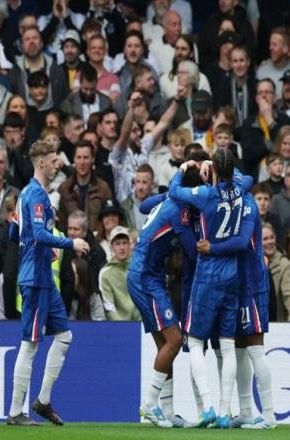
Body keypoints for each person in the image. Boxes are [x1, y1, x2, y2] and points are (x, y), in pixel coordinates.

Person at [7, 140, 90, 426]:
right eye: (53, 160)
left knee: (64, 337)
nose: (57, 165)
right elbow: (39, 234)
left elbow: (14, 233)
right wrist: (70, 243)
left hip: (42, 277)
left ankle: (42, 401)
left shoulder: (26, 194)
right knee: (30, 344)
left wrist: (40, 248)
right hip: (34, 279)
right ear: (41, 162)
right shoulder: (36, 195)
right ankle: (15, 412)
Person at [168, 150, 252, 428]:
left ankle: (207, 407)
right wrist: (219, 168)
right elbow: (245, 178)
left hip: (208, 274)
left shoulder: (206, 195)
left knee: (194, 342)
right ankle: (225, 413)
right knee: (227, 347)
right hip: (232, 274)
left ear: (213, 168)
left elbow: (174, 191)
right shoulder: (240, 190)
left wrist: (183, 168)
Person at [127, 166, 199, 428]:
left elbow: (144, 205)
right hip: (145, 277)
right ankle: (149, 404)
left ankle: (167, 412)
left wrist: (176, 180)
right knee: (175, 340)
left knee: (165, 345)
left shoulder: (169, 199)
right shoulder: (179, 211)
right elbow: (193, 252)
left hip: (147, 275)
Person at [197, 191, 276, 429]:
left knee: (255, 348)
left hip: (252, 282)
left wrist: (212, 248)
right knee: (240, 348)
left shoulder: (248, 202)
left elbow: (242, 243)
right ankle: (246, 412)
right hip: (236, 282)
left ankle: (269, 416)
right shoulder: (228, 201)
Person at [99, 226, 140, 321]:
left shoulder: (140, 268)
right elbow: (109, 306)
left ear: (129, 245)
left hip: (141, 323)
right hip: (118, 325)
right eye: (117, 244)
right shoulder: (105, 273)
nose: (122, 247)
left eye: (124, 243)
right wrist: (122, 326)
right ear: (111, 248)